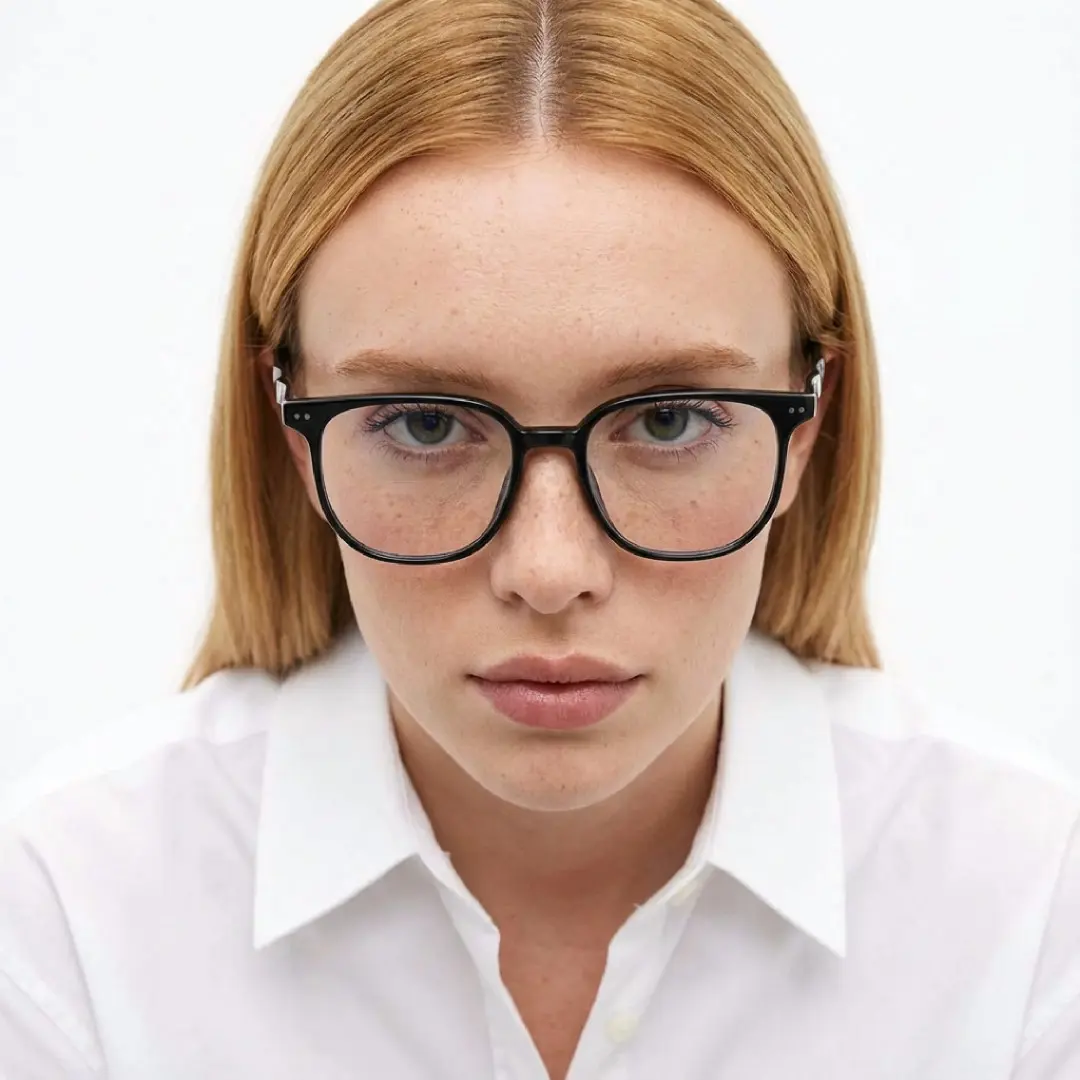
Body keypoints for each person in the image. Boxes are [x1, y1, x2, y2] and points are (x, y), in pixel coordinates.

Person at [1, 0, 1077, 1076]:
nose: (550, 572)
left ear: (806, 426)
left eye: (669, 420)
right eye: (425, 424)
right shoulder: (67, 920)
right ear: (293, 437)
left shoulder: (1029, 916)